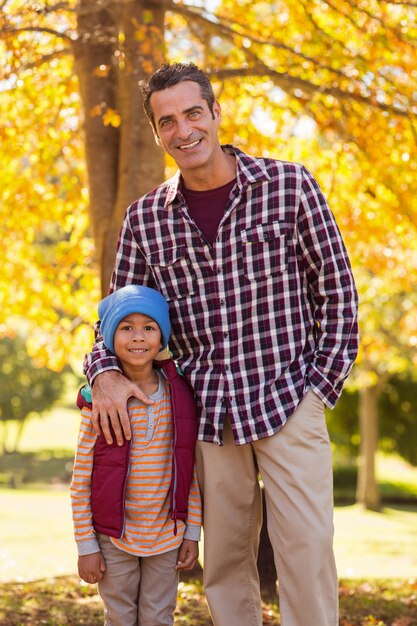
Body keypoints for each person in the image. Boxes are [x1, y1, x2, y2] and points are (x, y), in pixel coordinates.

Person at [83, 63, 359, 626]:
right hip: (208, 413)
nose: (183, 130)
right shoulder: (145, 221)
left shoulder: (289, 185)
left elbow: (338, 295)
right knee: (225, 563)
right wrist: (103, 372)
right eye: (167, 121)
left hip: (289, 401)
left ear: (215, 113)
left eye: (191, 114)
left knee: (306, 550)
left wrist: (319, 392)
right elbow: (115, 319)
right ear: (158, 133)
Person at [71, 284, 202, 626]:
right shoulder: (100, 404)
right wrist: (86, 545)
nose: (138, 336)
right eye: (126, 328)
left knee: (159, 617)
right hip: (113, 537)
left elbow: (189, 472)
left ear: (162, 338)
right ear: (111, 339)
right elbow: (80, 480)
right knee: (120, 617)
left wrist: (192, 532)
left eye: (149, 327)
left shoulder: (181, 397)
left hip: (167, 535)